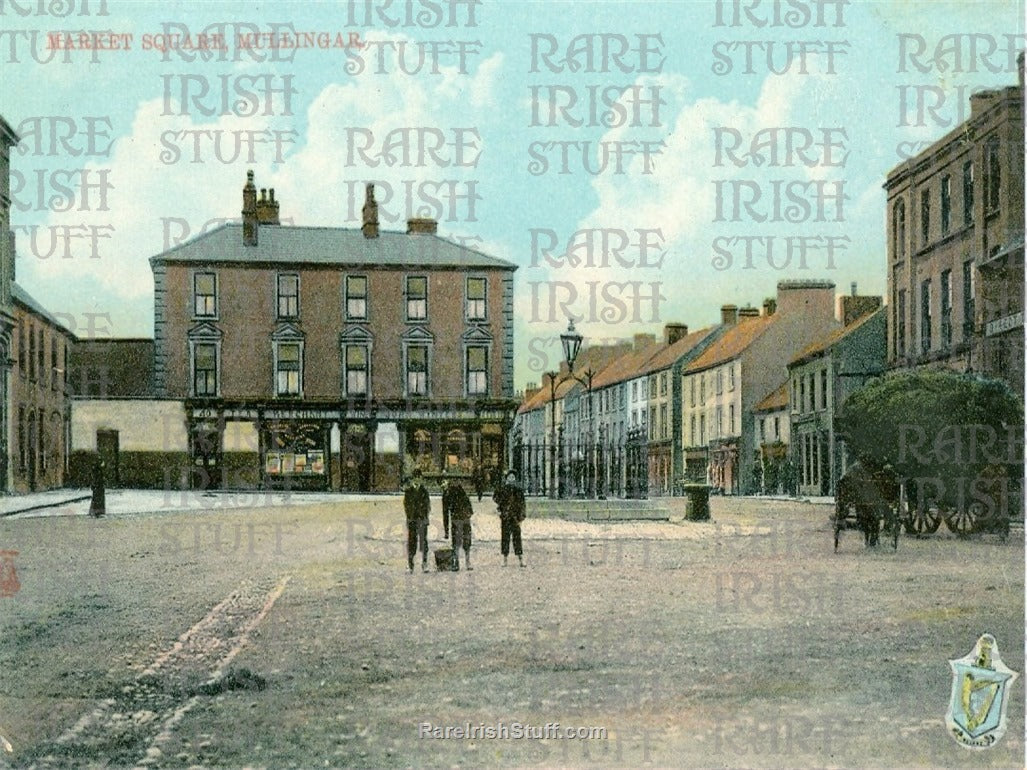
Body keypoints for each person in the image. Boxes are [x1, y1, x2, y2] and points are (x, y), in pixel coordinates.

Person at [494, 469, 525, 567]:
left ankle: (520, 559)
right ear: (506, 479)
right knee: (505, 538)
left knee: (517, 538)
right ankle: (505, 559)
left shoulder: (518, 491)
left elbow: (522, 504)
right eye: (509, 477)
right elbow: (495, 497)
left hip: (515, 517)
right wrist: (501, 506)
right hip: (506, 517)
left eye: (513, 477)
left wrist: (521, 517)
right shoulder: (503, 489)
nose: (511, 479)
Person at [404, 469, 431, 573]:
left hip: (422, 520)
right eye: (415, 477)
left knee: (424, 542)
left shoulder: (424, 491)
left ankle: (425, 563)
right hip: (412, 520)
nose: (417, 480)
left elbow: (427, 505)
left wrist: (424, 516)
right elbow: (406, 505)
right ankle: (410, 564)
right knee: (411, 542)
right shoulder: (408, 491)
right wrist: (409, 516)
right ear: (412, 479)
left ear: (421, 479)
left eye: (419, 478)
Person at [448, 480, 474, 571]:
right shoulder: (464, 497)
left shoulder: (451, 498)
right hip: (463, 521)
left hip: (458, 521)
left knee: (456, 543)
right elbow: (471, 511)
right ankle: (467, 562)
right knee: (465, 542)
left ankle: (456, 562)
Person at [440, 471, 453, 539]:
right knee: (446, 518)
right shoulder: (442, 482)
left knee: (450, 517)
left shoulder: (450, 483)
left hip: (450, 501)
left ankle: (450, 532)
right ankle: (446, 532)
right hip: (445, 501)